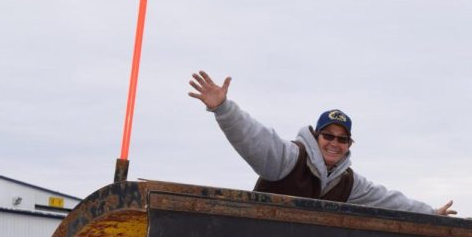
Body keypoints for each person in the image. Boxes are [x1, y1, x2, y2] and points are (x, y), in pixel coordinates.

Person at [188, 71, 456, 216]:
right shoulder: (289, 159)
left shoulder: (348, 183)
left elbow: (389, 200)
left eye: (342, 139)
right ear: (317, 137)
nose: (334, 143)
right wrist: (223, 108)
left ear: (349, 145)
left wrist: (430, 212)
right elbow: (253, 136)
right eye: (328, 136)